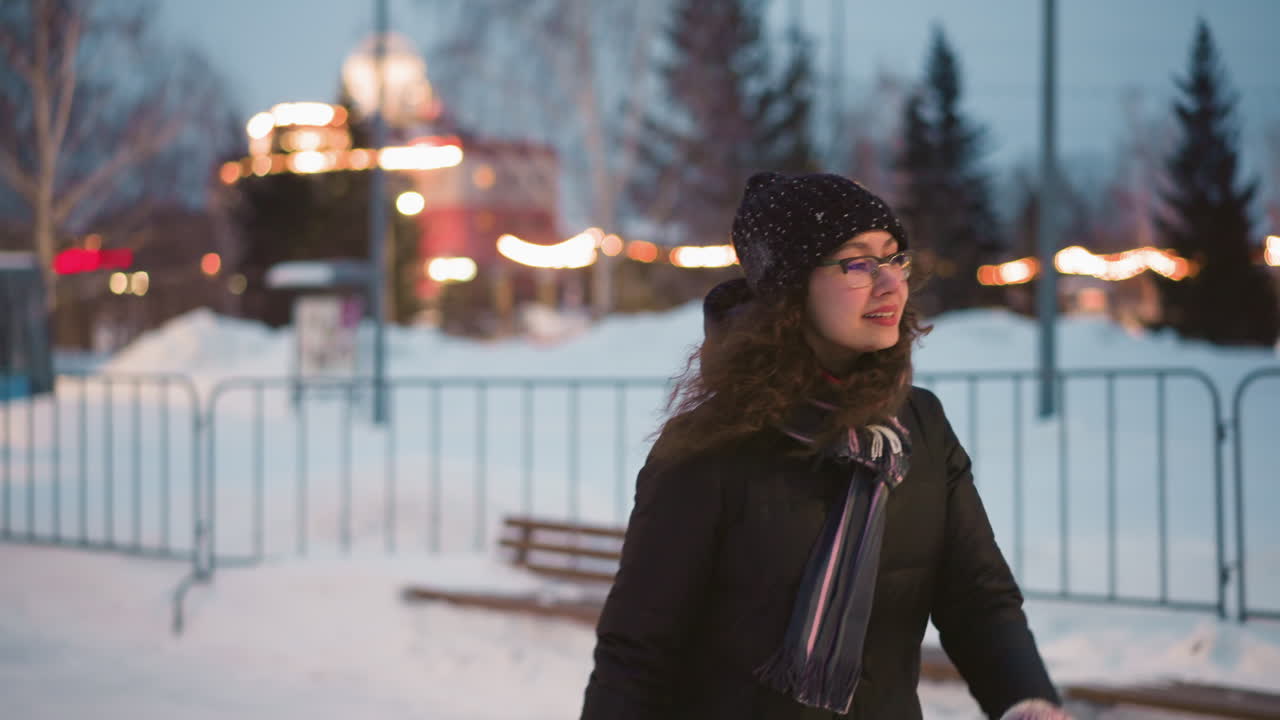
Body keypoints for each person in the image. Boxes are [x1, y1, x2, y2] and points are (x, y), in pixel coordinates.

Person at [580, 172, 1070, 719]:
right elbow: (637, 651)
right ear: (791, 289)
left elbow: (977, 597)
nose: (890, 283)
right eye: (858, 263)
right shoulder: (713, 445)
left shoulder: (920, 426)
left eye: (895, 258)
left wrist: (1026, 700)